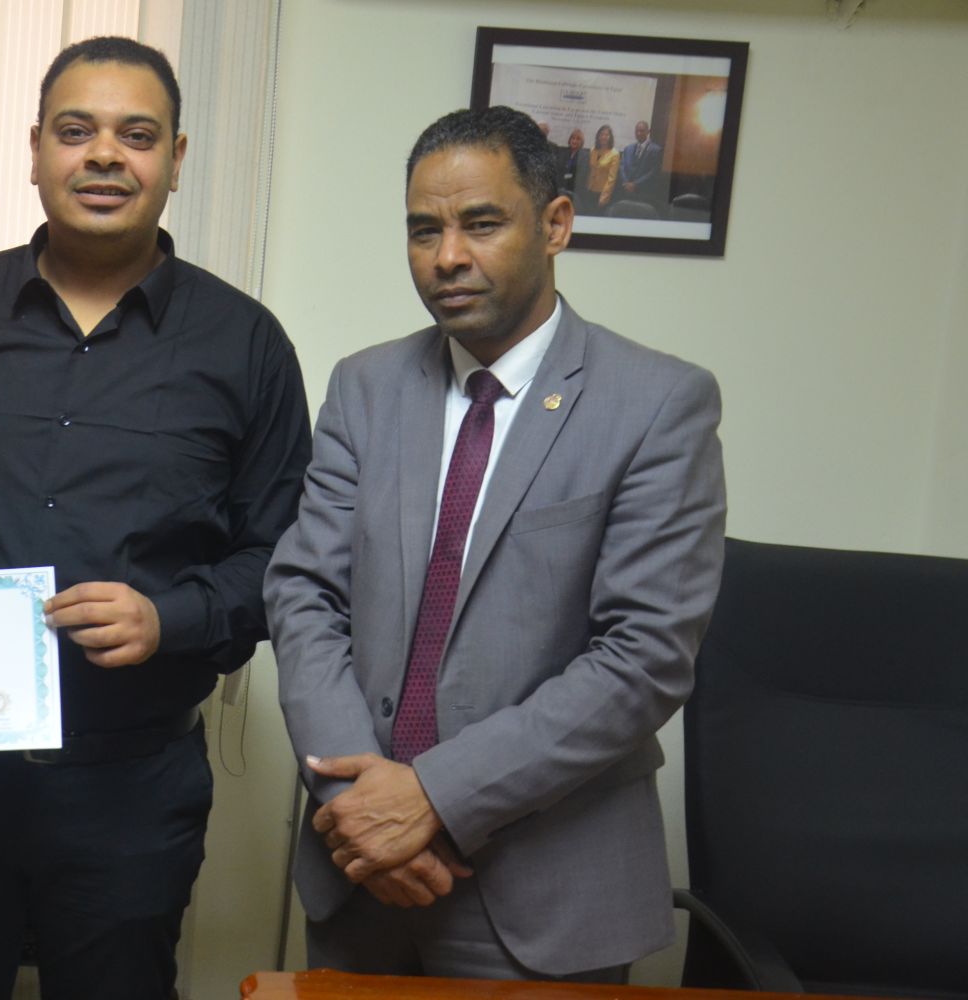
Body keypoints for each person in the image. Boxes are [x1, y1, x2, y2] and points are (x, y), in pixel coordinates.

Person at [0, 36, 311, 1000]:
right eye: (76, 130)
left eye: (137, 135)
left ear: (176, 159)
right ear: (36, 149)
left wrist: (167, 617)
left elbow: (280, 557)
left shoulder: (246, 344)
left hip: (128, 784)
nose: (104, 156)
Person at [264, 106, 725, 982]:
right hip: (360, 871)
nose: (447, 257)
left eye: (481, 224)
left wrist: (433, 798)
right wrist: (360, 804)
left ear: (556, 225)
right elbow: (303, 596)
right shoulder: (365, 387)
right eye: (423, 230)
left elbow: (644, 655)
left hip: (542, 890)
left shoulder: (658, 404)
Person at [618, 119, 664, 203]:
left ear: (648, 132)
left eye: (642, 131)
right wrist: (626, 183)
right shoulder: (628, 149)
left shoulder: (656, 150)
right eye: (637, 131)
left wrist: (635, 184)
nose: (639, 133)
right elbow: (622, 167)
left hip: (644, 193)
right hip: (626, 192)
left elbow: (653, 171)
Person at [584, 123, 621, 212]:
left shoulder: (614, 154)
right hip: (590, 189)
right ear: (598, 136)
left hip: (602, 193)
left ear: (610, 137)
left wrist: (605, 196)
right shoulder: (593, 150)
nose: (604, 137)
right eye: (601, 134)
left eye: (606, 135)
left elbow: (611, 178)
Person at [554, 128, 585, 210]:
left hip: (574, 190)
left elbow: (581, 175)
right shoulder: (563, 152)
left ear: (581, 142)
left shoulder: (584, 156)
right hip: (561, 188)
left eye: (578, 139)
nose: (574, 141)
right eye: (573, 138)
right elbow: (559, 170)